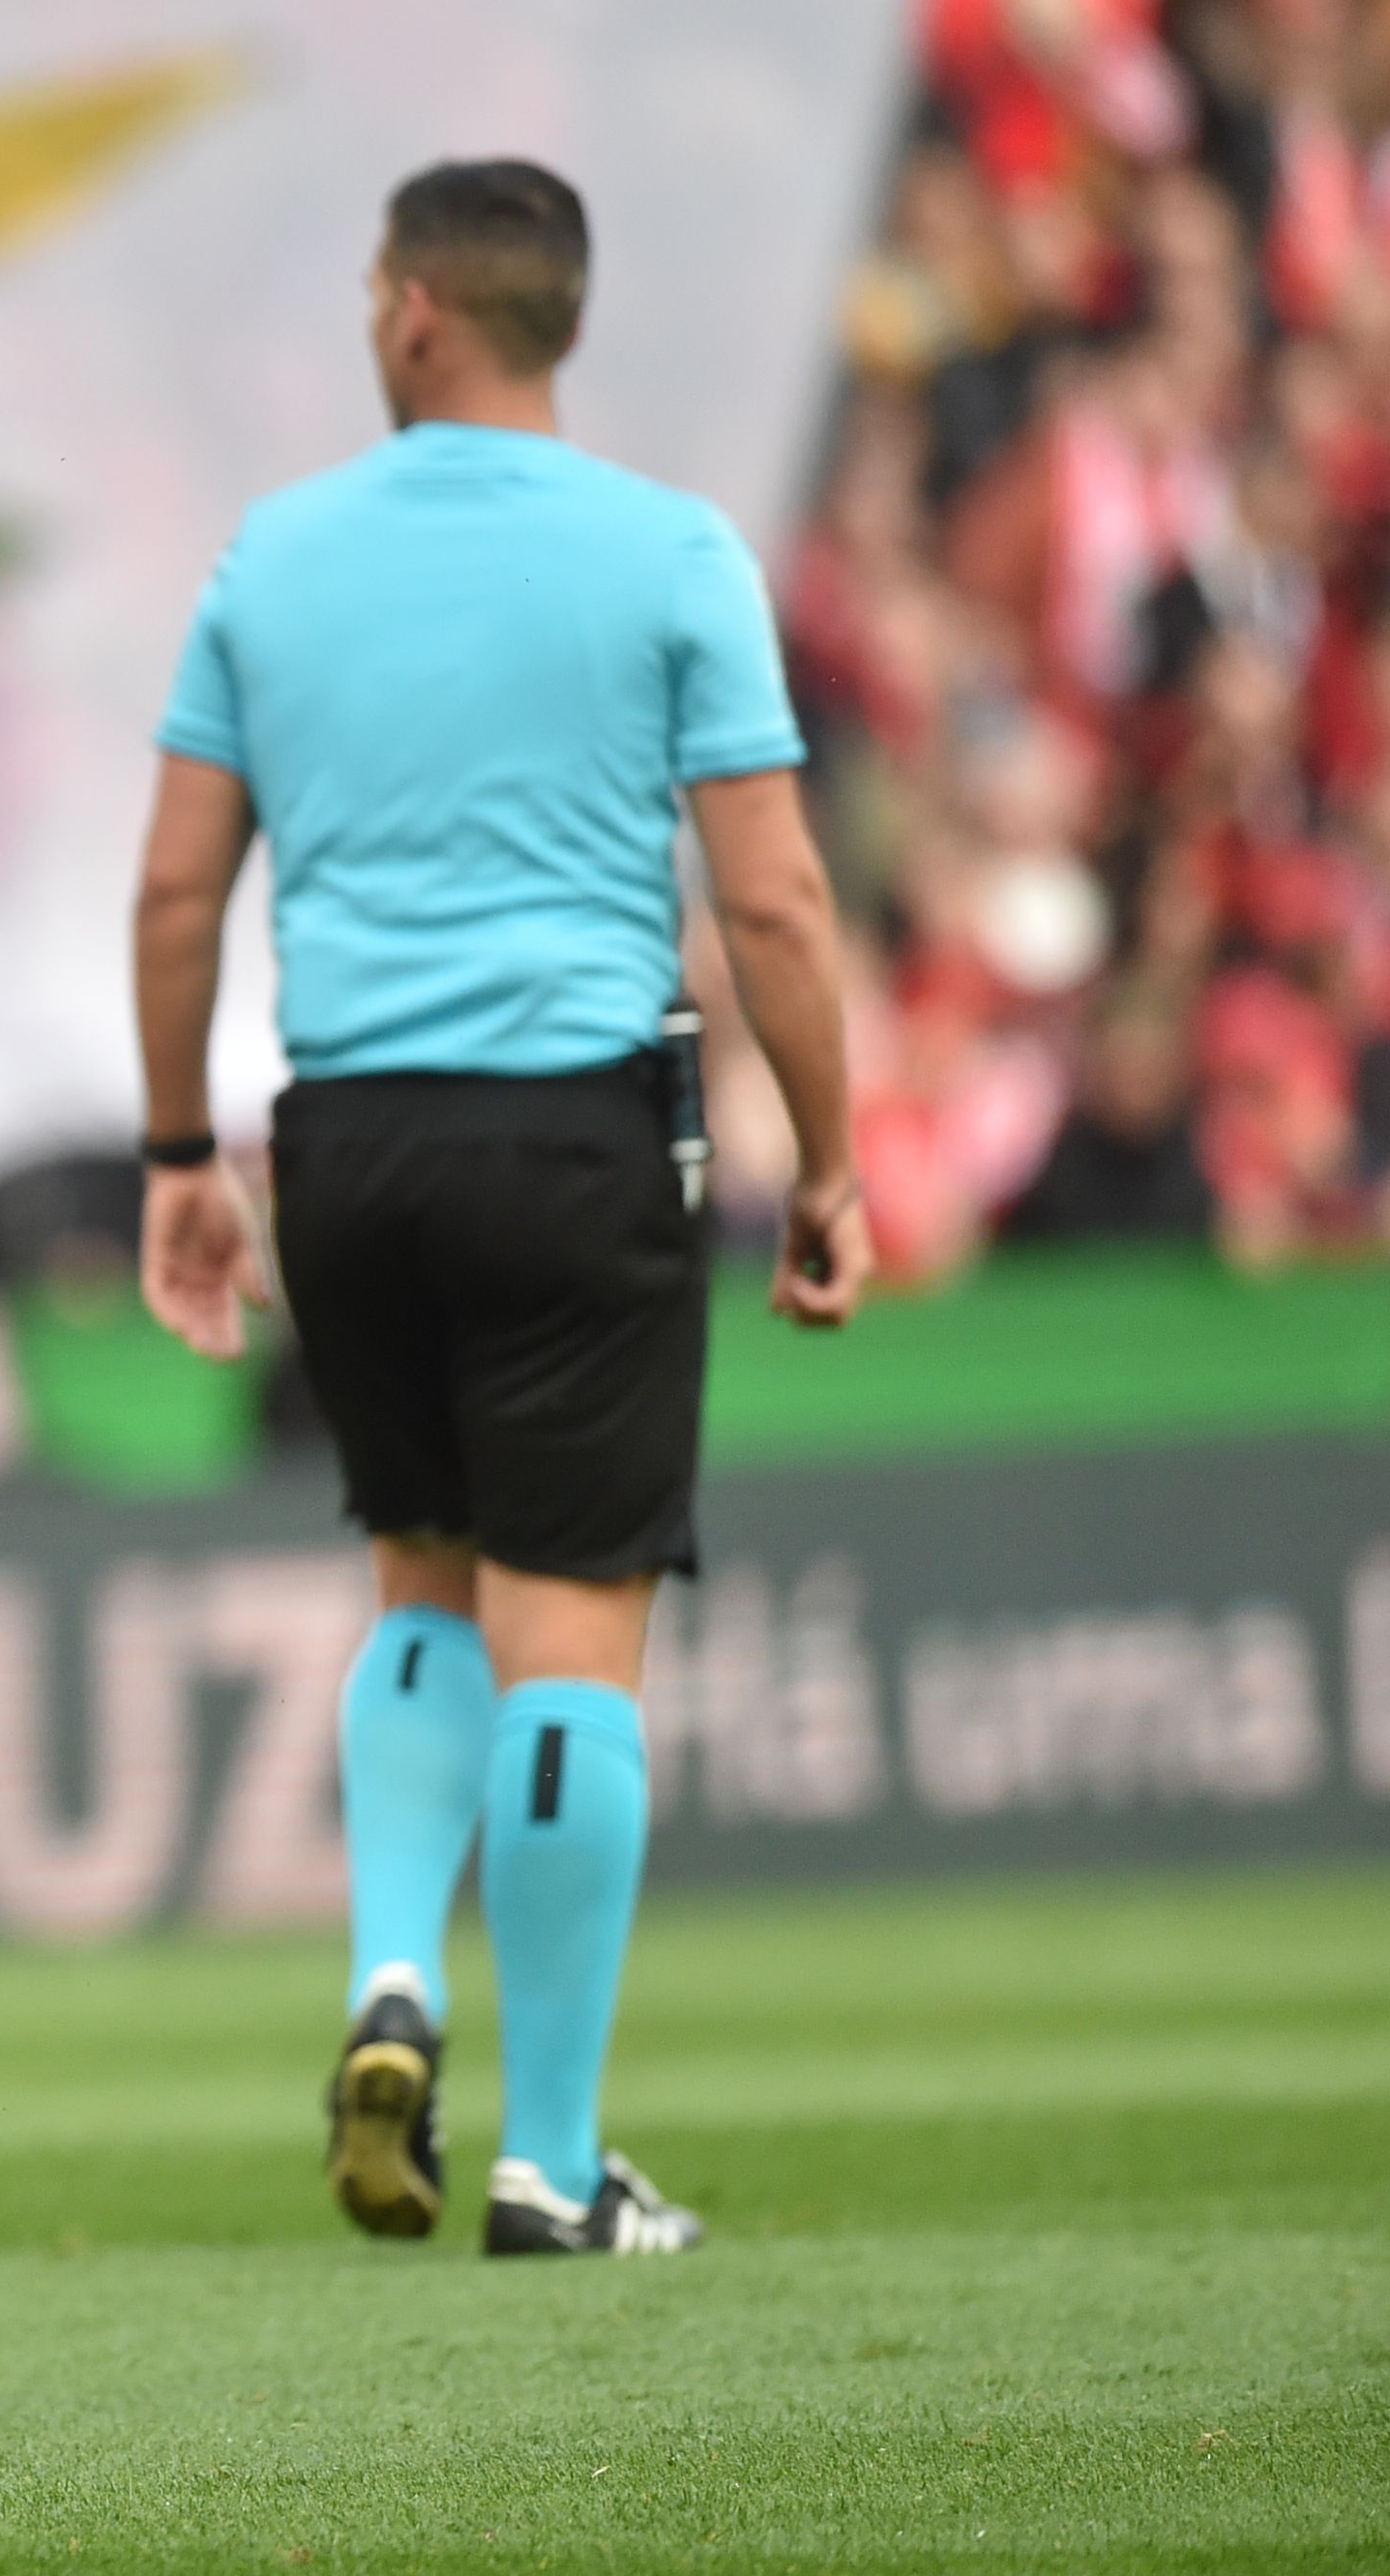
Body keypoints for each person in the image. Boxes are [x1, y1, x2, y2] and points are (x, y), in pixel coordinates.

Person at [129, 157, 869, 2262]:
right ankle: (547, 2153)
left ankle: (387, 1965)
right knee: (572, 1634)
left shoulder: (272, 555)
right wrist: (828, 1159)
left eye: (377, 286)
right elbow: (775, 894)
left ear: (424, 313)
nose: (372, 315)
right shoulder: (670, 552)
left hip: (346, 1139)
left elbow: (180, 885)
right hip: (577, 1133)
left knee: (414, 1578)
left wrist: (182, 1153)